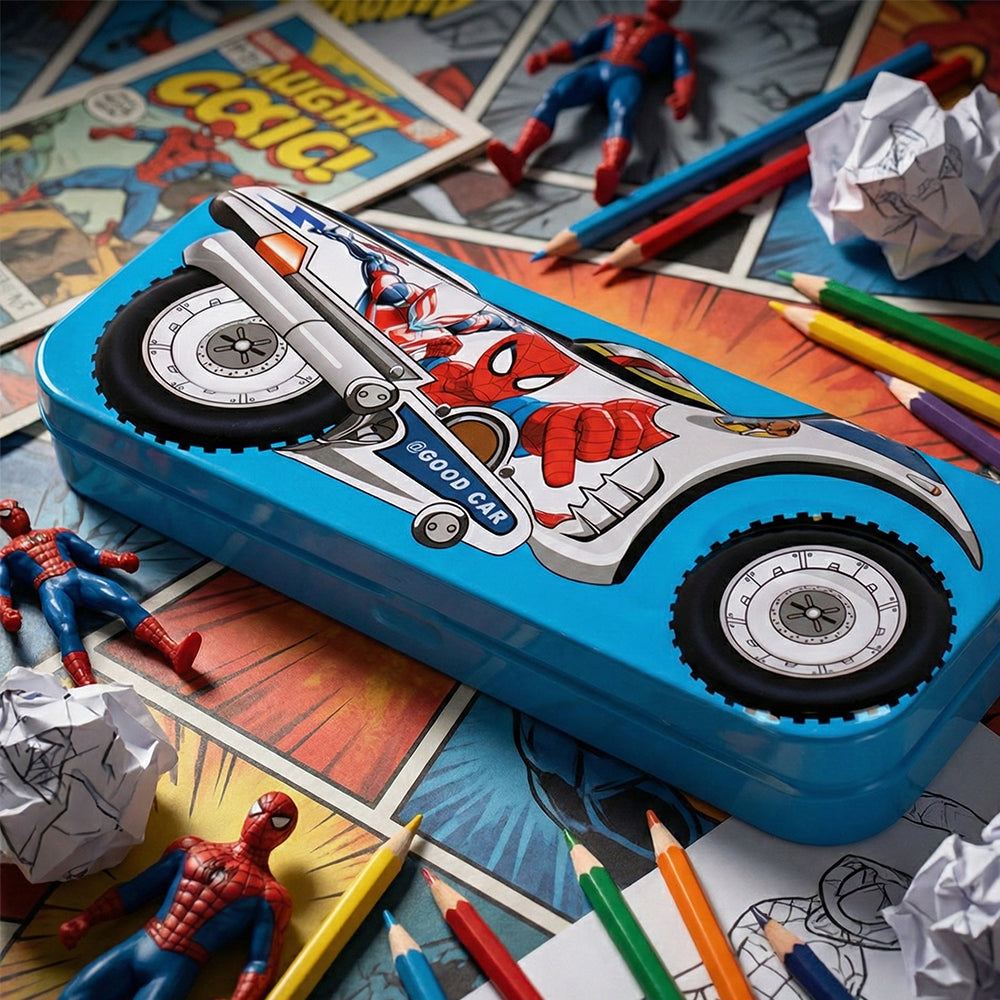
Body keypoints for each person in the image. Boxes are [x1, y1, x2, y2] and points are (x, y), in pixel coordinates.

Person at [58, 791, 297, 1000]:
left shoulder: (270, 895)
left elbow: (261, 960)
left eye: (276, 820)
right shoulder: (191, 848)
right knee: (73, 995)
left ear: (285, 833)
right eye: (258, 811)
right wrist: (87, 918)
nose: (261, 822)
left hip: (176, 968)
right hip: (141, 942)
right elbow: (138, 889)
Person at [487, 0, 696, 204]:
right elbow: (580, 46)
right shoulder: (617, 21)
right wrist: (547, 57)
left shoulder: (676, 37)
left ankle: (611, 169)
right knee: (555, 93)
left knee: (623, 113)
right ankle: (517, 157)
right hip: (599, 68)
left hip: (630, 75)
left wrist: (683, 96)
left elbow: (684, 70)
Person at [0, 499, 201, 686]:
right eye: (6, 513)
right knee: (65, 628)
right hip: (51, 587)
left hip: (77, 576)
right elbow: (2, 589)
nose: (15, 513)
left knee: (125, 602)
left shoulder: (56, 533)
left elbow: (92, 554)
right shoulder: (6, 554)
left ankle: (172, 650)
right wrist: (6, 612)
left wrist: (119, 560)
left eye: (18, 507)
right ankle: (88, 687)